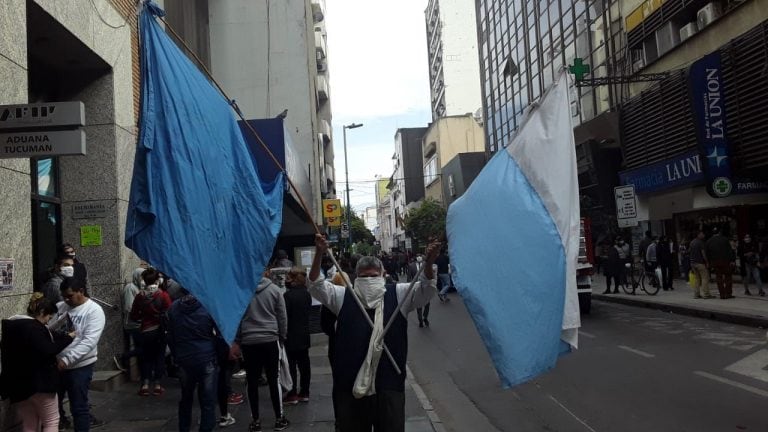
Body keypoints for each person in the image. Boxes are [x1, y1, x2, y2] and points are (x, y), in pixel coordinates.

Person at [308, 234, 440, 432]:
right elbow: (316, 285)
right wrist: (319, 253)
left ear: (383, 274)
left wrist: (429, 262)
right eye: (364, 277)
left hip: (388, 383)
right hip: (349, 384)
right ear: (355, 276)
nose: (369, 280)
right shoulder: (344, 295)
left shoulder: (399, 293)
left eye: (373, 276)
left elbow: (426, 289)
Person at [0, 294, 74, 432]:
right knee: (51, 421)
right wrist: (69, 338)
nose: (47, 322)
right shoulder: (34, 328)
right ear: (41, 312)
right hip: (40, 384)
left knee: (29, 424)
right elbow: (48, 349)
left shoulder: (12, 326)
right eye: (48, 318)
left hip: (17, 386)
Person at [234, 271, 289, 432]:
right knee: (274, 379)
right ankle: (279, 418)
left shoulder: (242, 291)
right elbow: (282, 316)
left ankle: (255, 421)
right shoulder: (274, 290)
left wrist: (238, 339)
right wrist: (282, 336)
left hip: (249, 341)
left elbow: (237, 317)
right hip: (270, 339)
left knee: (252, 381)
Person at [49, 277, 106, 432]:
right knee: (54, 404)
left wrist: (67, 360)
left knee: (79, 406)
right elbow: (50, 329)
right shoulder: (61, 307)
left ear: (81, 291)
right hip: (56, 363)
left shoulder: (94, 310)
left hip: (80, 366)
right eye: (64, 296)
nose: (67, 300)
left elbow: (89, 341)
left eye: (70, 296)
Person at [167, 291, 220, 432]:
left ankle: (184, 428)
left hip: (184, 357)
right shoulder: (208, 305)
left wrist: (176, 355)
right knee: (208, 399)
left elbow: (170, 336)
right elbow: (219, 331)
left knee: (186, 397)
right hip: (206, 356)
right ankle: (205, 428)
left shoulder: (174, 308)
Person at [130, 268, 172, 396]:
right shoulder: (163, 295)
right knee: (159, 357)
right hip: (160, 330)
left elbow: (134, 315)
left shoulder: (139, 296)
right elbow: (170, 312)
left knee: (146, 358)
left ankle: (145, 385)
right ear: (156, 280)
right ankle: (158, 385)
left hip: (145, 330)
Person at [283, 268, 312, 405]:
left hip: (291, 334)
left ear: (293, 279)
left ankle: (292, 393)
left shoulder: (288, 296)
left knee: (291, 365)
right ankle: (305, 392)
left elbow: (285, 317)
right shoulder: (306, 294)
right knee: (304, 364)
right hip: (304, 333)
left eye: (288, 277)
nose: (285, 280)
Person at [116, 268, 144, 371]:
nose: (143, 279)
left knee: (142, 347)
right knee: (144, 347)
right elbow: (129, 308)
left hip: (139, 323)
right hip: (133, 324)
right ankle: (124, 356)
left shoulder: (138, 288)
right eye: (141, 276)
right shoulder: (130, 288)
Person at [706, 227, 736, 299]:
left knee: (719, 278)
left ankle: (722, 294)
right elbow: (730, 251)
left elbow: (707, 253)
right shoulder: (724, 239)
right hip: (725, 261)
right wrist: (732, 260)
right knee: (728, 277)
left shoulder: (709, 241)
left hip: (715, 262)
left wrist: (710, 263)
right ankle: (728, 293)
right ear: (719, 232)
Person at [689, 231, 713, 299]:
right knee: (705, 278)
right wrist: (707, 261)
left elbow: (689, 252)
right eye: (702, 234)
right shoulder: (700, 242)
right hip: (700, 263)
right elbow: (703, 253)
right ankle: (706, 294)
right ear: (698, 235)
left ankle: (696, 294)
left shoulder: (692, 242)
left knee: (697, 279)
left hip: (693, 263)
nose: (703, 235)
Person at [412, 256, 431, 327]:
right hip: (417, 288)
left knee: (427, 304)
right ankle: (420, 320)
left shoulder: (426, 265)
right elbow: (409, 277)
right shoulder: (412, 266)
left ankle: (425, 317)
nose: (419, 258)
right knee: (418, 305)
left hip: (426, 287)